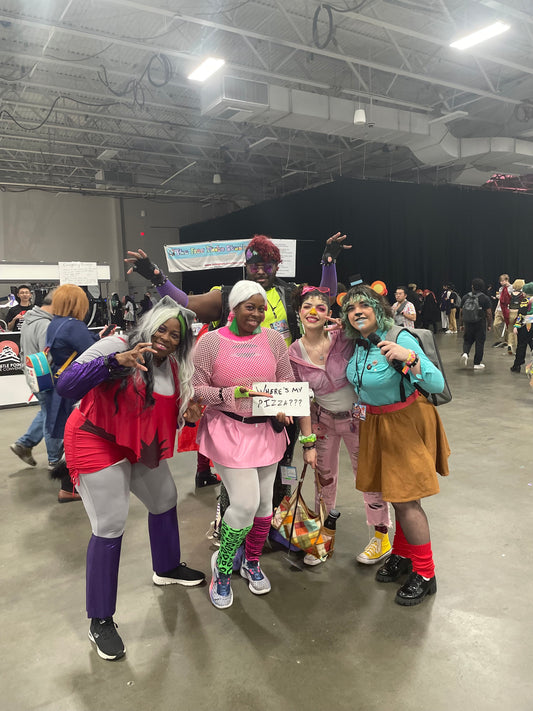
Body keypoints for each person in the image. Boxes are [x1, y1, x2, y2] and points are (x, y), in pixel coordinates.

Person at [126, 232, 348, 533]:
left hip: (280, 398)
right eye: (255, 265)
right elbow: (187, 302)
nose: (261, 270)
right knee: (237, 477)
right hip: (234, 403)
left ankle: (269, 526)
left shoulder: (289, 293)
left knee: (279, 467)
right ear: (246, 266)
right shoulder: (229, 295)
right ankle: (230, 526)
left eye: (268, 265)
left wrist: (328, 262)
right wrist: (157, 277)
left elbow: (324, 297)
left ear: (277, 266)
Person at [56, 296, 205, 660]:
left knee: (165, 498)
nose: (166, 338)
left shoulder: (174, 367)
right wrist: (111, 364)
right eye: (162, 329)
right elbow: (66, 386)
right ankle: (100, 620)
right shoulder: (117, 345)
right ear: (149, 324)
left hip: (137, 443)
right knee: (109, 524)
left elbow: (166, 413)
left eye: (175, 334)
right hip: (95, 438)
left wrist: (189, 413)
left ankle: (166, 567)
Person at [341, 284, 450, 606]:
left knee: (406, 500)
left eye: (364, 305)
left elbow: (436, 383)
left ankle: (426, 573)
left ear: (379, 308)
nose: (358, 312)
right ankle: (403, 555)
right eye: (351, 308)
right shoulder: (359, 343)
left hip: (404, 423)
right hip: (375, 424)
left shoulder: (400, 337)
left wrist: (410, 357)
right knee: (397, 495)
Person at [192, 280, 294, 609]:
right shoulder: (211, 341)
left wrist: (284, 404)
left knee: (264, 507)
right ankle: (222, 568)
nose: (257, 314)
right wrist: (229, 394)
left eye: (261, 308)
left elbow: (286, 378)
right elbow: (196, 387)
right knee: (245, 504)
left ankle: (252, 561)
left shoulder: (273, 339)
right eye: (250, 307)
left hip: (266, 432)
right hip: (227, 431)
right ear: (234, 308)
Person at [288, 286, 391, 566]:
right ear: (298, 312)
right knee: (323, 480)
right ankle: (323, 537)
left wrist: (349, 326)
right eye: (307, 307)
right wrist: (307, 443)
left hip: (359, 420)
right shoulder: (293, 353)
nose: (313, 312)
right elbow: (301, 400)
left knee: (369, 477)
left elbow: (374, 328)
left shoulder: (344, 337)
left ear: (329, 314)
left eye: (320, 308)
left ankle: (381, 537)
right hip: (322, 423)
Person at [46, 285, 103, 501]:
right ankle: (70, 487)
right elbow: (93, 354)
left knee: (70, 434)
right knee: (79, 435)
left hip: (62, 383)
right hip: (76, 386)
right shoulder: (74, 325)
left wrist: (96, 336)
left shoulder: (55, 323)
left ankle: (70, 485)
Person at [9, 291, 63, 470]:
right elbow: (47, 355)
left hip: (32, 375)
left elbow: (23, 349)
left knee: (46, 412)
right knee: (53, 417)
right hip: (45, 377)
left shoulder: (29, 319)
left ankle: (24, 444)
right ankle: (55, 460)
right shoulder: (46, 324)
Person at [459, 278, 493, 370]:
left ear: (472, 286)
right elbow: (489, 313)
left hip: (468, 323)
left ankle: (465, 353)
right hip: (480, 324)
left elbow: (461, 312)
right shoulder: (485, 298)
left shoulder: (465, 297)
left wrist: (461, 324)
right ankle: (477, 363)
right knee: (479, 343)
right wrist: (489, 325)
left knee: (467, 340)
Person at [510, 282, 533, 374]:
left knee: (521, 345)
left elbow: (521, 314)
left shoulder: (525, 301)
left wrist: (516, 326)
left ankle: (517, 365)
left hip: (526, 326)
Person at [507, 279, 525, 356]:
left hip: (510, 312)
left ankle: (509, 344)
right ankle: (517, 347)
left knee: (510, 330)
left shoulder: (510, 294)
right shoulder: (522, 295)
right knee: (518, 331)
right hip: (518, 313)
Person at [492, 274, 512, 347]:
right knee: (495, 325)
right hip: (500, 309)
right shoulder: (501, 289)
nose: (501, 282)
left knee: (508, 327)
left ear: (507, 280)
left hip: (507, 309)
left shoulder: (512, 288)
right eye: (500, 281)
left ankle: (506, 341)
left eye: (502, 281)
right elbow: (500, 300)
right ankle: (499, 340)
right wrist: (496, 309)